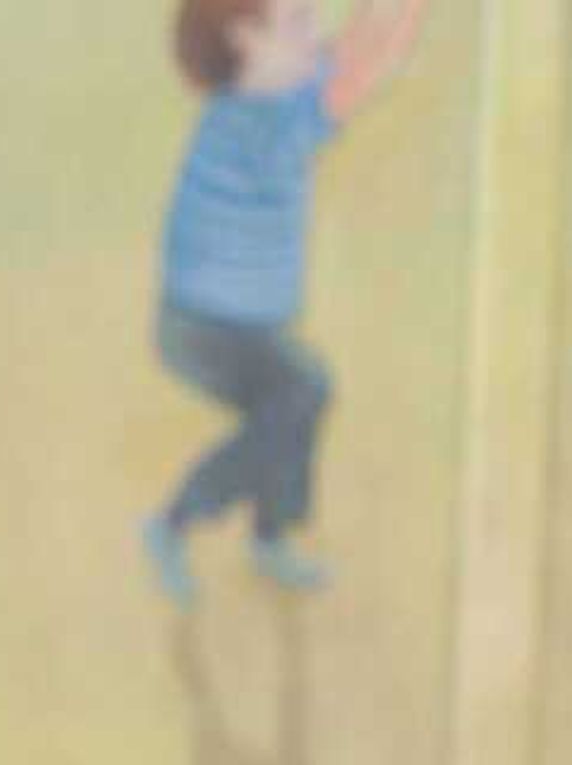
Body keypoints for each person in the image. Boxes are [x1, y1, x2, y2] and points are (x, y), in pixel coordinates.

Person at [144, 0, 433, 605]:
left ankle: (269, 535)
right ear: (246, 42)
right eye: (299, 23)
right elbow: (364, 67)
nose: (316, 35)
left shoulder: (271, 93)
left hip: (230, 321)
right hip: (205, 327)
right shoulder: (263, 125)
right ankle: (176, 521)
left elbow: (355, 50)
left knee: (297, 401)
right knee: (301, 396)